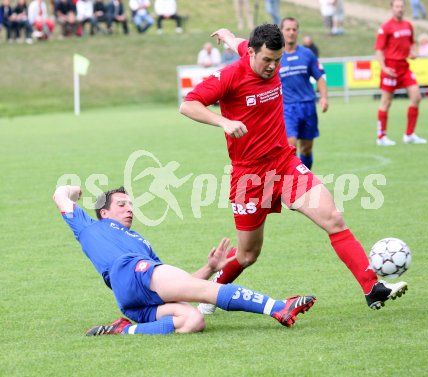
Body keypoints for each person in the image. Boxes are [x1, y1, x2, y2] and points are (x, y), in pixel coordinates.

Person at [179, 24, 408, 315]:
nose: (272, 67)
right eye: (267, 61)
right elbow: (188, 105)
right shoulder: (229, 76)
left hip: (285, 164)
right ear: (251, 53)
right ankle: (209, 295)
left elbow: (238, 41)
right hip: (249, 176)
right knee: (248, 254)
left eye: (277, 61)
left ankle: (372, 288)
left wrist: (227, 37)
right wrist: (223, 122)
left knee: (334, 218)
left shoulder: (257, 53)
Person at [53, 185, 317, 335]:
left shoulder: (141, 242)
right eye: (122, 204)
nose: (130, 209)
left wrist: (211, 267)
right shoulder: (88, 226)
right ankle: (278, 307)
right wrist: (78, 190)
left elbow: (178, 285)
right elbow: (60, 195)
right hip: (130, 272)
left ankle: (123, 331)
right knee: (206, 292)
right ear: (103, 212)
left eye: (131, 204)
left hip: (132, 300)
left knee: (193, 321)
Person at [375, 0, 427, 146]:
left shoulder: (408, 25)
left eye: (402, 6)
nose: (400, 9)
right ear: (392, 8)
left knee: (416, 97)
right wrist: (384, 68)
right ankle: (381, 136)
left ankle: (409, 134)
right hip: (390, 68)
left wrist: (414, 52)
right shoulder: (385, 27)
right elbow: (379, 50)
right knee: (386, 102)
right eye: (397, 6)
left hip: (404, 67)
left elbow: (412, 42)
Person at [279, 18, 328, 171]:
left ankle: (305, 180)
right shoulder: (275, 56)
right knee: (291, 147)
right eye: (287, 29)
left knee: (306, 149)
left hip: (307, 107)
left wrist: (324, 97)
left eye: (294, 29)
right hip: (287, 108)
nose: (291, 32)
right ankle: (293, 185)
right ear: (281, 31)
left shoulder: (307, 54)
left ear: (297, 32)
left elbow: (319, 77)